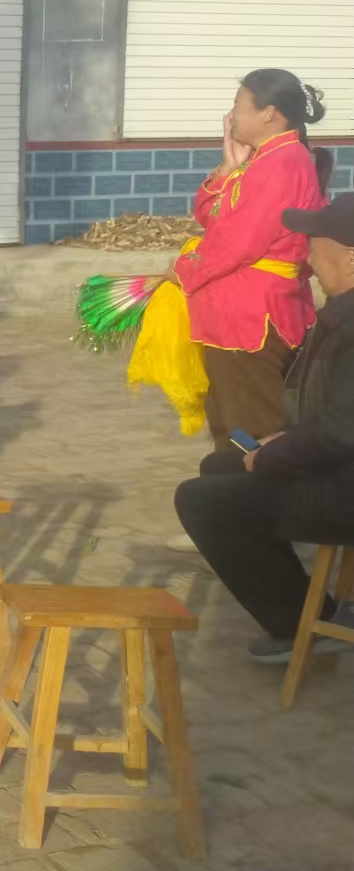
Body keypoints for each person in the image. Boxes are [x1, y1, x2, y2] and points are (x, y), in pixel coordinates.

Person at [176, 194, 354, 662]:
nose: (307, 258)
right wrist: (284, 442)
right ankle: (307, 606)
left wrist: (274, 455)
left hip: (344, 487)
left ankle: (301, 626)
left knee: (201, 500)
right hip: (337, 465)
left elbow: (340, 431)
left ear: (351, 258)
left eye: (315, 244)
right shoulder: (342, 311)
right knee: (221, 465)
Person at [174, 70, 329, 452]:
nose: (230, 117)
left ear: (268, 113)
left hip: (251, 321)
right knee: (230, 422)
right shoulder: (267, 160)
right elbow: (210, 216)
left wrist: (184, 270)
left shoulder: (282, 163)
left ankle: (258, 485)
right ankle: (235, 480)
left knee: (252, 429)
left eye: (238, 106)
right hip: (238, 317)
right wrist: (230, 168)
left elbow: (237, 243)